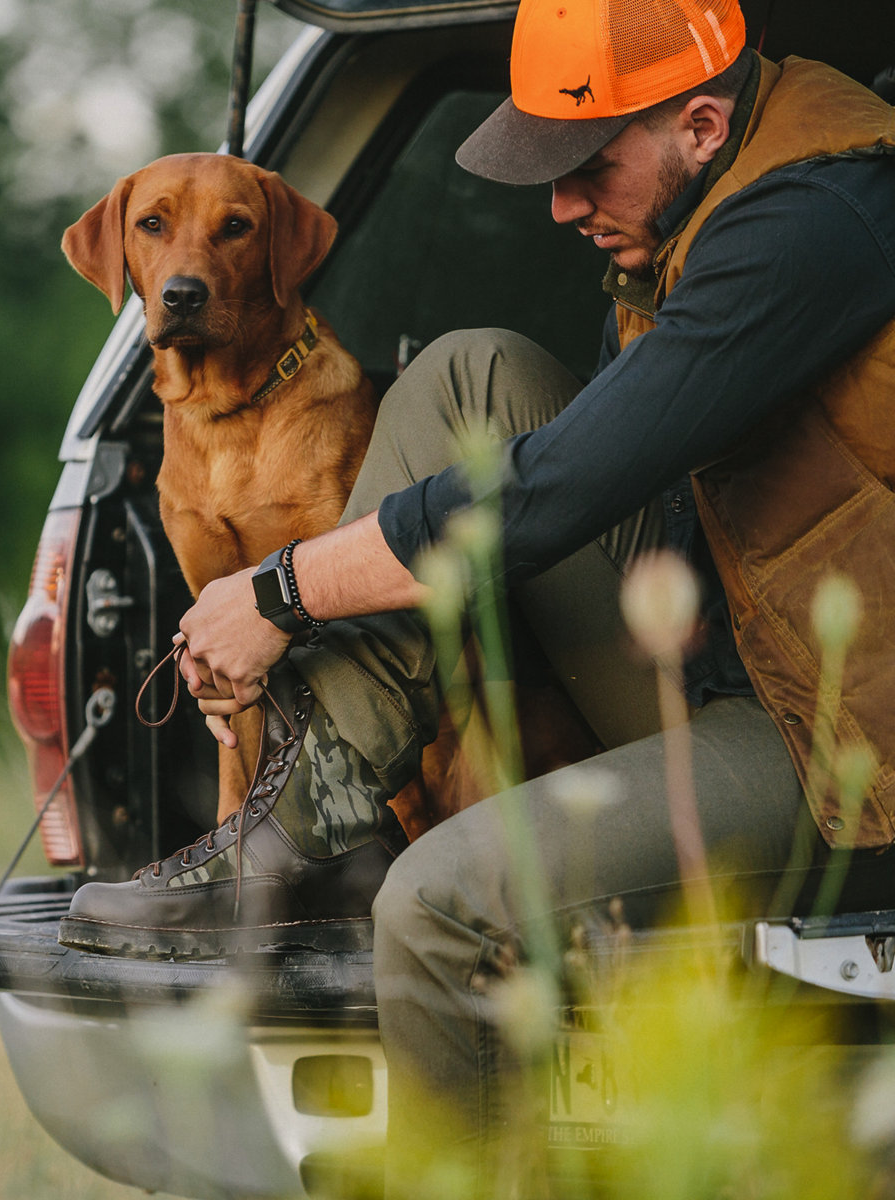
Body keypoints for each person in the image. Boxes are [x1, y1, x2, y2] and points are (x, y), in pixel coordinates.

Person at [60, 0, 895, 1183]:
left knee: (435, 900)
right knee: (471, 370)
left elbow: (563, 489)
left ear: (702, 125)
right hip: (723, 652)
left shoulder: (822, 217)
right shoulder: (691, 214)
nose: (558, 206)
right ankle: (302, 817)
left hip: (842, 735)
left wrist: (281, 591)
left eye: (585, 168)